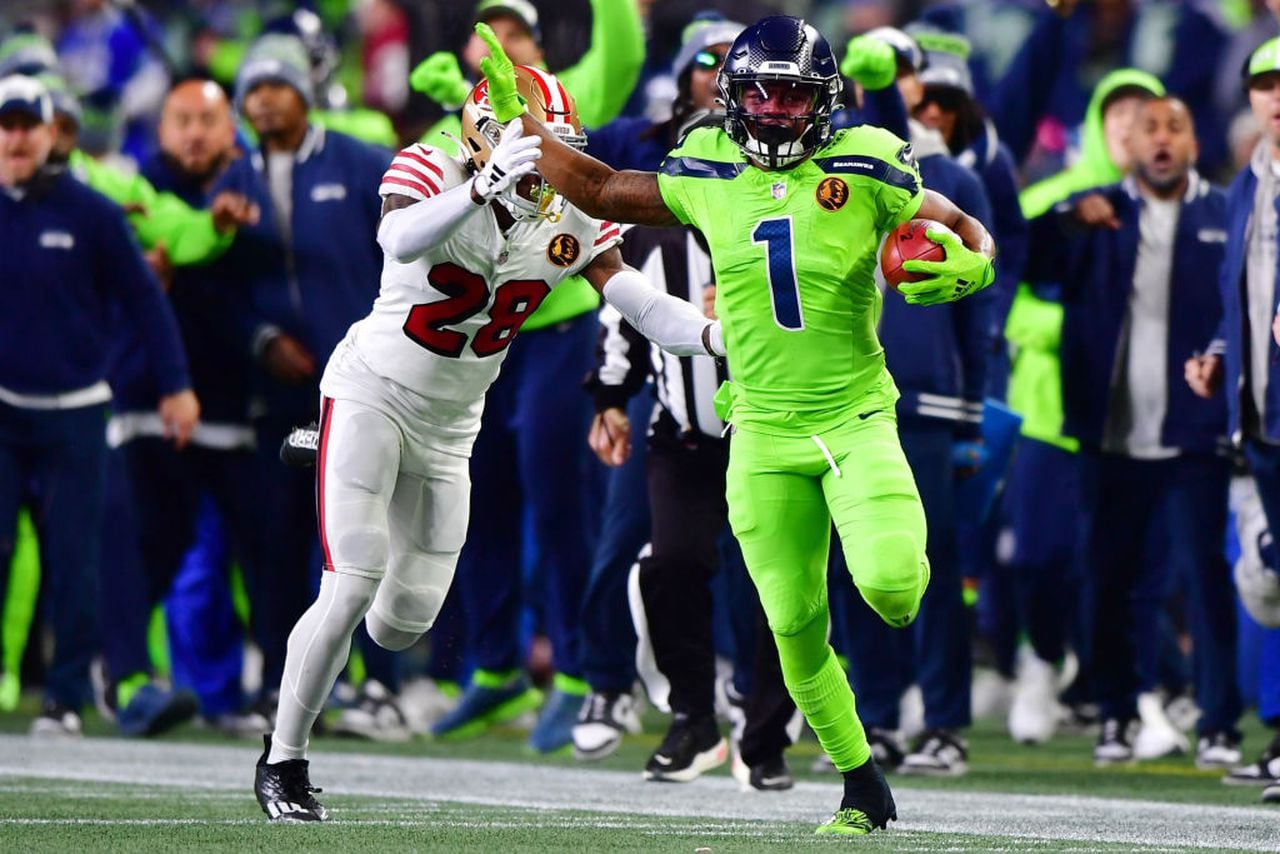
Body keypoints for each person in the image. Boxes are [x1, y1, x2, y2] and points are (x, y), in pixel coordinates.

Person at [478, 16, 995, 834]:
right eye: (760, 92)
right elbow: (607, 189)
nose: (778, 111)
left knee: (894, 588)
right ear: (731, 97)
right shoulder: (708, 163)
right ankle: (862, 785)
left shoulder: (868, 159)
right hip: (758, 428)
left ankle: (880, 696)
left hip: (855, 415)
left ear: (823, 99)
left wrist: (974, 260)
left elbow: (962, 221)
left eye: (794, 94)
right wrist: (526, 133)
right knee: (791, 625)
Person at [253, 65, 724, 822]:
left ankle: (343, 461)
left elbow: (642, 304)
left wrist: (714, 336)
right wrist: (476, 189)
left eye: (551, 144)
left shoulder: (568, 214)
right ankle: (284, 761)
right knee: (350, 582)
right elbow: (398, 234)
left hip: (451, 427)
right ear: (477, 134)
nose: (538, 160)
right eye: (521, 141)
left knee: (403, 624)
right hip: (373, 386)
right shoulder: (430, 164)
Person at [1030, 96, 1239, 768]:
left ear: (1193, 142)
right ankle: (1114, 715)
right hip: (1109, 433)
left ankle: (1219, 723)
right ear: (1129, 142)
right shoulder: (1094, 209)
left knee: (1205, 582)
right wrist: (1064, 221)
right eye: (1149, 129)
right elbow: (1026, 268)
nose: (1160, 141)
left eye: (1175, 128)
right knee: (1105, 579)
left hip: (1193, 434)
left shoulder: (1225, 210)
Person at [0, 74, 197, 736]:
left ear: (55, 133)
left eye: (28, 123)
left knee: (74, 559)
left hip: (79, 409)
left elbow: (146, 300)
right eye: (6, 124)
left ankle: (64, 699)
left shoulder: (92, 211)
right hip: (3, 409)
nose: (15, 136)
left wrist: (176, 383)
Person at [210, 34, 393, 726]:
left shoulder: (357, 162)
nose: (264, 100)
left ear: (304, 91)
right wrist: (259, 342)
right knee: (275, 534)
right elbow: (216, 291)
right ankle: (278, 684)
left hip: (360, 388)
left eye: (277, 86)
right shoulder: (234, 179)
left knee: (362, 530)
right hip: (275, 391)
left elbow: (404, 260)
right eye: (252, 89)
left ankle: (380, 682)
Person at [1188, 35, 1280, 802]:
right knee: (1268, 581)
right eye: (1266, 84)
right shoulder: (1252, 179)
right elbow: (1241, 292)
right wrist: (1221, 350)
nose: (1278, 97)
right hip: (1262, 411)